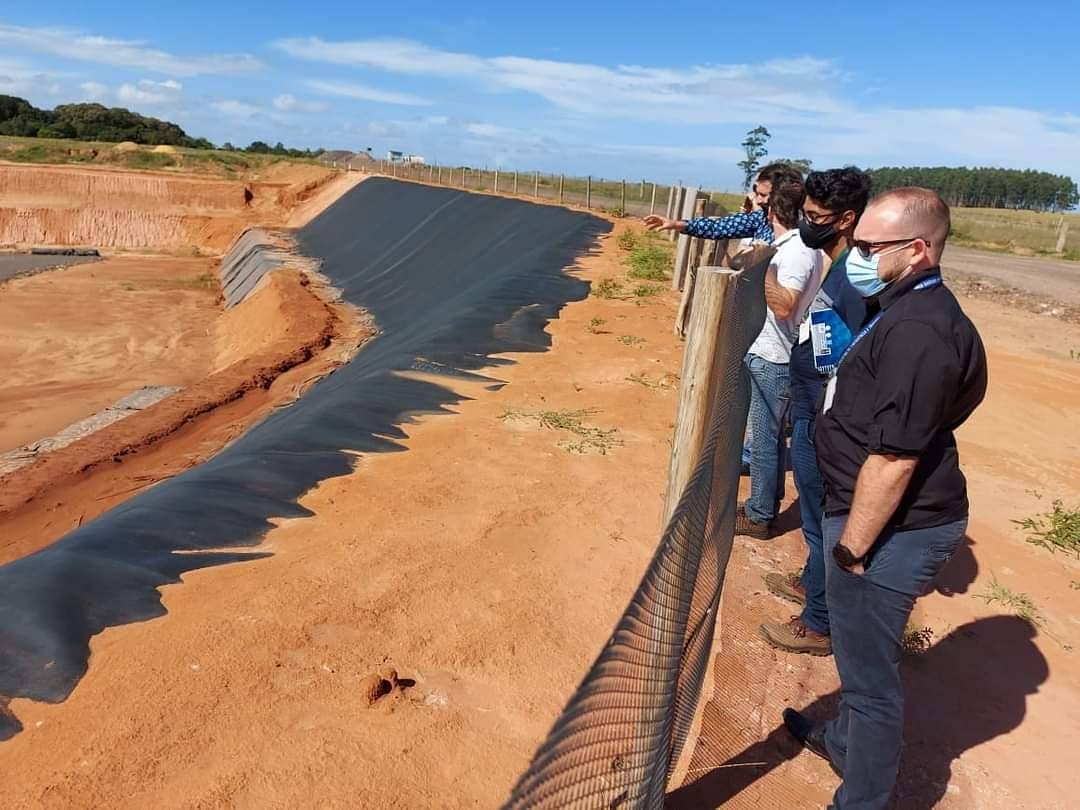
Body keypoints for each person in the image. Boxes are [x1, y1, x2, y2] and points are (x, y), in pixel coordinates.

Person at [783, 187, 988, 809]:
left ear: (918, 249)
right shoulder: (903, 306)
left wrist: (850, 551)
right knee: (859, 660)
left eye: (870, 247)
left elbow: (896, 459)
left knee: (869, 682)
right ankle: (843, 742)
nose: (857, 255)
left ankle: (862, 799)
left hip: (889, 528)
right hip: (873, 513)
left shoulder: (921, 331)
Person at [758, 168, 871, 656]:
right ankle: (811, 582)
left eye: (816, 215)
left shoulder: (856, 279)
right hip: (808, 403)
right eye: (805, 212)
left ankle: (819, 622)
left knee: (823, 517)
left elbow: (848, 357)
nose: (806, 223)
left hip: (824, 415)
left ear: (846, 219)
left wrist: (766, 269)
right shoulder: (836, 263)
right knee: (812, 509)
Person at [729, 176, 823, 538]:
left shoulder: (796, 250)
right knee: (767, 438)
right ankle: (764, 501)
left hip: (774, 358)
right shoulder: (786, 244)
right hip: (766, 352)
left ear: (772, 209)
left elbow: (784, 306)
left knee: (765, 441)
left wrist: (764, 266)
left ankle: (760, 515)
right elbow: (736, 261)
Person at [642, 161, 802, 245]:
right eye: (757, 193)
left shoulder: (804, 229)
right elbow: (718, 227)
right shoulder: (760, 219)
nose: (758, 200)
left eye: (763, 195)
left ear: (782, 193)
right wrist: (677, 224)